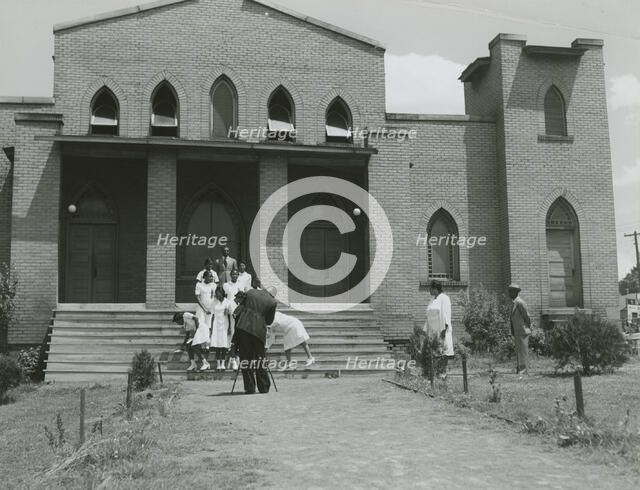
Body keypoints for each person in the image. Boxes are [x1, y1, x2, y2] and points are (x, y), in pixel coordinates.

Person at [232, 282, 277, 394]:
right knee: (260, 358)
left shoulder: (251, 292)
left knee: (245, 358)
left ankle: (250, 387)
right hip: (258, 331)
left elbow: (241, 307)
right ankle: (264, 387)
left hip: (243, 327)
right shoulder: (272, 302)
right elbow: (269, 321)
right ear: (273, 295)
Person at [424, 280, 454, 378]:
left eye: (430, 288)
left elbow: (446, 314)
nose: (429, 290)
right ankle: (434, 373)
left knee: (443, 351)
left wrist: (443, 331)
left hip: (441, 330)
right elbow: (428, 315)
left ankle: (442, 373)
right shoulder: (432, 300)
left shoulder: (444, 298)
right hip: (432, 331)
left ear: (435, 289)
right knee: (434, 352)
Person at [209, 286, 237, 370]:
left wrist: (229, 328)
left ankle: (223, 364)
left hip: (225, 324)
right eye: (216, 294)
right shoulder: (214, 302)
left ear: (222, 293)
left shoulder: (228, 302)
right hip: (216, 324)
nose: (217, 295)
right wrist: (211, 328)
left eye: (219, 294)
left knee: (224, 345)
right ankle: (218, 364)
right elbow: (212, 315)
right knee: (217, 345)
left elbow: (231, 314)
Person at [193, 270, 216, 371]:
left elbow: (214, 297)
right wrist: (204, 309)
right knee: (201, 327)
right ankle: (201, 345)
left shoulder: (213, 285)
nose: (211, 278)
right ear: (205, 277)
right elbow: (198, 298)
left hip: (210, 309)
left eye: (212, 277)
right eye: (210, 277)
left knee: (209, 328)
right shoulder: (199, 285)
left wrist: (211, 309)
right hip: (202, 310)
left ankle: (206, 349)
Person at [508, 283, 532, 375]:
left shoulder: (520, 303)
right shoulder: (514, 303)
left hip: (523, 330)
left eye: (510, 292)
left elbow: (527, 317)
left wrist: (528, 327)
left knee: (523, 351)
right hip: (517, 331)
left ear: (515, 292)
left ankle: (524, 370)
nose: (509, 294)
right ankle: (519, 369)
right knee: (519, 351)